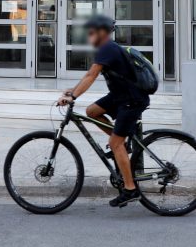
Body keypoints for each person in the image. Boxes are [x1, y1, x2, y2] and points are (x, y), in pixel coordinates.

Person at [57, 14, 150, 208]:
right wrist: (73, 91)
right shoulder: (106, 49)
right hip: (120, 96)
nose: (89, 35)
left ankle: (130, 189)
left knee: (115, 143)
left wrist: (73, 97)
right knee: (92, 111)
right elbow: (89, 74)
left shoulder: (107, 48)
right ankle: (122, 143)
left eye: (91, 32)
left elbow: (91, 76)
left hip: (131, 100)